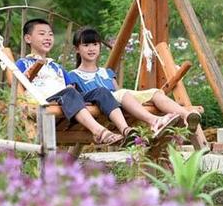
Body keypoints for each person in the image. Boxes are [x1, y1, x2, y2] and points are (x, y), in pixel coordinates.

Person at [15, 18, 136, 146]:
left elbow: (71, 87)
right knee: (69, 93)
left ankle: (126, 130)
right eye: (42, 34)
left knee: (101, 91)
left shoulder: (57, 67)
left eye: (50, 34)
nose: (47, 37)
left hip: (66, 99)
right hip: (46, 101)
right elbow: (16, 86)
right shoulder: (23, 63)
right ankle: (100, 132)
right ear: (28, 38)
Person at [68, 26, 205, 138]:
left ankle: (187, 115)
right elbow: (75, 100)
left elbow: (118, 92)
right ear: (77, 49)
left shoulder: (107, 72)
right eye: (86, 45)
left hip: (118, 102)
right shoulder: (73, 75)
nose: (91, 48)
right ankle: (155, 121)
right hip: (100, 105)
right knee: (121, 94)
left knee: (155, 92)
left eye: (95, 44)